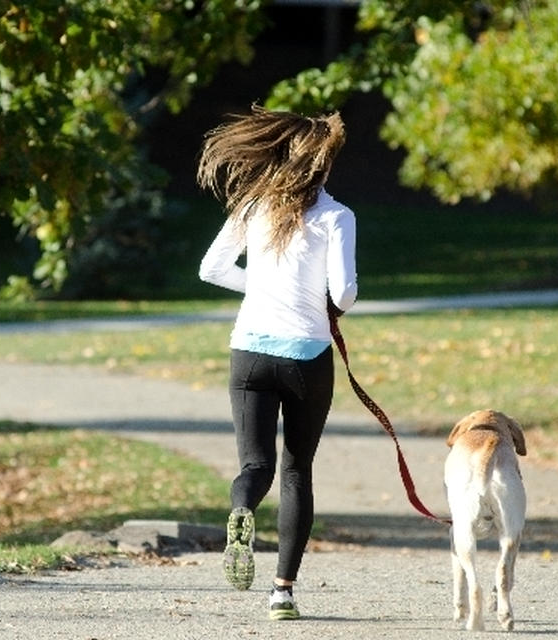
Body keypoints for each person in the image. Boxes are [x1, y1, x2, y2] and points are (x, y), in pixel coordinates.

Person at [197, 104, 357, 620]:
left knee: (255, 465)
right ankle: (282, 592)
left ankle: (242, 509)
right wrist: (314, 301)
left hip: (248, 352)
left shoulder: (252, 206)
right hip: (306, 355)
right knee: (296, 470)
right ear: (323, 164)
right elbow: (346, 292)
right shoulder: (336, 216)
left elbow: (212, 269)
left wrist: (262, 289)